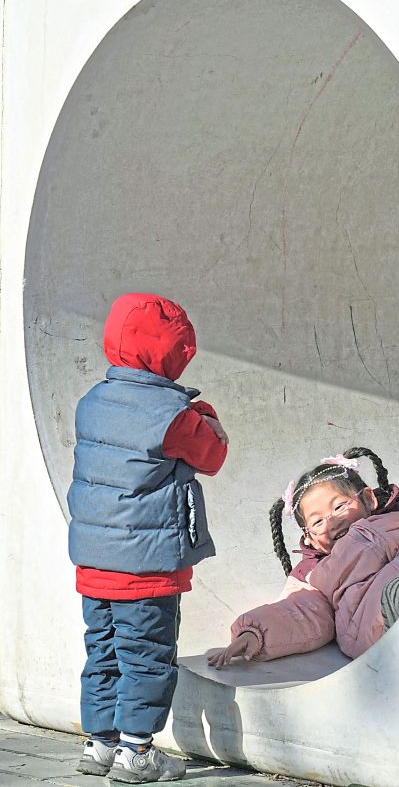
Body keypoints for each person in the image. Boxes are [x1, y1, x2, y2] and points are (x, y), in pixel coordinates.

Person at [69, 293, 228, 783]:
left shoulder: (90, 402)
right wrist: (204, 411)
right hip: (146, 569)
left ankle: (100, 745)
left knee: (103, 653)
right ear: (174, 353)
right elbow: (213, 455)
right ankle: (137, 753)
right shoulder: (172, 415)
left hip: (94, 564)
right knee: (147, 658)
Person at [206, 447, 399, 667]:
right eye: (317, 522)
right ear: (310, 539)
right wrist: (254, 633)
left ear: (369, 498)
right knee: (398, 592)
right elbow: (299, 611)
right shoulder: (314, 573)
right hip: (380, 617)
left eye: (339, 506)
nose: (333, 521)